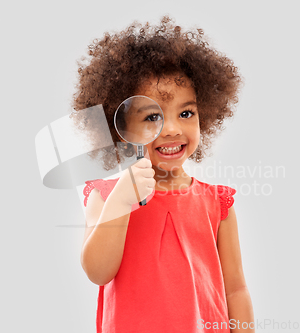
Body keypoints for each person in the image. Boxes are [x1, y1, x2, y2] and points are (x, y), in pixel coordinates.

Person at [71, 16, 255, 333]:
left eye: (186, 113)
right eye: (151, 116)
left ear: (205, 115)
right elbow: (98, 272)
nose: (171, 128)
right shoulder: (105, 194)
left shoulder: (217, 204)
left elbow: (235, 289)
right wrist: (121, 200)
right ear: (123, 126)